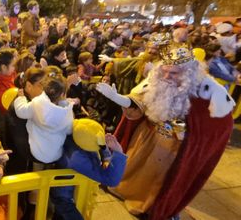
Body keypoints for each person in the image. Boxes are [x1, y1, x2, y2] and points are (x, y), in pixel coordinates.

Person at [96, 43, 234, 219]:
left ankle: (151, 206)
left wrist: (192, 136)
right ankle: (123, 189)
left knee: (159, 181)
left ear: (188, 73)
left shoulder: (209, 92)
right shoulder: (156, 80)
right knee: (134, 169)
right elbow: (138, 102)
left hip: (174, 148)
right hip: (146, 137)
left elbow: (217, 125)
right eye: (165, 71)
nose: (167, 76)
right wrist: (115, 97)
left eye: (174, 73)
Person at [51, 119, 127, 220]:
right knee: (65, 205)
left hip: (64, 187)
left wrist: (105, 152)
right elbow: (111, 179)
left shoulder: (76, 135)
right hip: (66, 195)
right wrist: (118, 153)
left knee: (60, 209)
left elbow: (101, 150)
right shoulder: (78, 158)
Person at [13, 72, 74, 165]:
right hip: (56, 153)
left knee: (38, 166)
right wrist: (66, 104)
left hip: (36, 151)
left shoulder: (37, 103)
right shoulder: (66, 113)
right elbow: (69, 130)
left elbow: (21, 111)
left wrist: (21, 98)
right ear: (63, 94)